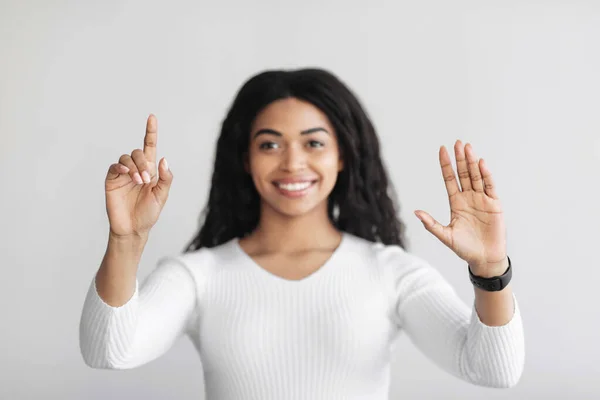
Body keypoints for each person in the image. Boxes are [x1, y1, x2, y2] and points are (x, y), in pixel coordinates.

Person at [79, 68, 524, 399]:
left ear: (343, 156)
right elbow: (108, 352)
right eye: (269, 144)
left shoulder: (391, 272)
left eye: (314, 143)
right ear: (246, 158)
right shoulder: (198, 275)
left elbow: (493, 370)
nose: (292, 164)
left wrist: (490, 270)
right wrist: (126, 240)